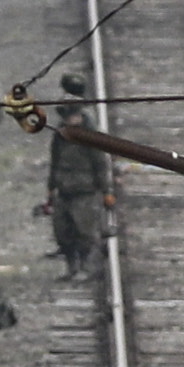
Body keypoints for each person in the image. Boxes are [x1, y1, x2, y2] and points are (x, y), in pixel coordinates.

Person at [45, 74, 113, 279]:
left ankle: (87, 268)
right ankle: (72, 268)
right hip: (64, 189)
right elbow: (54, 160)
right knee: (63, 232)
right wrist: (50, 188)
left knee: (85, 233)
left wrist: (106, 191)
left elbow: (101, 164)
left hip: (85, 190)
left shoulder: (90, 135)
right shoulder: (60, 134)